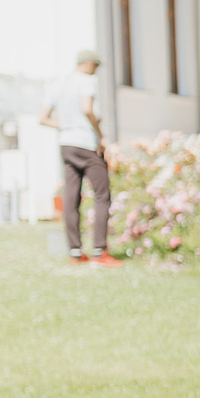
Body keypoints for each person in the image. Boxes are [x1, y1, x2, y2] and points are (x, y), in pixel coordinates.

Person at [40, 48, 119, 267]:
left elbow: (43, 118)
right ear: (88, 64)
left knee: (71, 197)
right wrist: (101, 136)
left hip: (66, 144)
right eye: (95, 67)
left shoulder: (57, 84)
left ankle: (75, 252)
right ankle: (99, 251)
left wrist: (66, 126)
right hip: (86, 143)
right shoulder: (86, 81)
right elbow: (87, 108)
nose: (95, 72)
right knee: (102, 195)